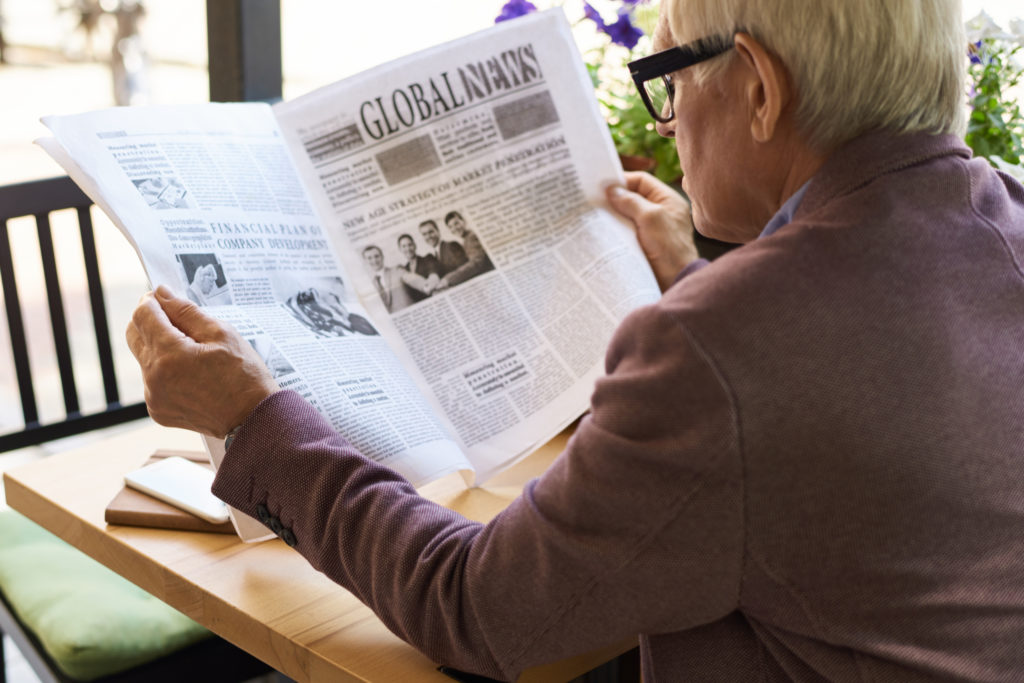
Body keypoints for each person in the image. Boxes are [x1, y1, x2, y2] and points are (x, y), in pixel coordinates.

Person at [126, 0, 1024, 680]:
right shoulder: (1008, 215)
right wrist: (703, 277)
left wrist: (255, 419)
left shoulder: (720, 348)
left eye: (669, 78)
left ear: (758, 87)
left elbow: (475, 606)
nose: (667, 121)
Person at [437, 210, 494, 289]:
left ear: (464, 221)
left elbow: (475, 264)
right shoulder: (467, 239)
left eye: (456, 223)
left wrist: (448, 279)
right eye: (450, 227)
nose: (454, 228)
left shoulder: (471, 238)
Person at [362, 243, 419, 313]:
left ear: (382, 257)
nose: (374, 260)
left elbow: (416, 280)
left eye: (376, 256)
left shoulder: (397, 270)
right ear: (365, 261)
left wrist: (427, 286)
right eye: (369, 258)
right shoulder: (371, 285)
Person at [395, 233, 441, 302]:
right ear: (400, 249)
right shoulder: (405, 270)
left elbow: (434, 275)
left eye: (410, 245)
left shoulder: (428, 258)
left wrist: (430, 284)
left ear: (415, 245)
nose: (408, 248)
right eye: (404, 246)